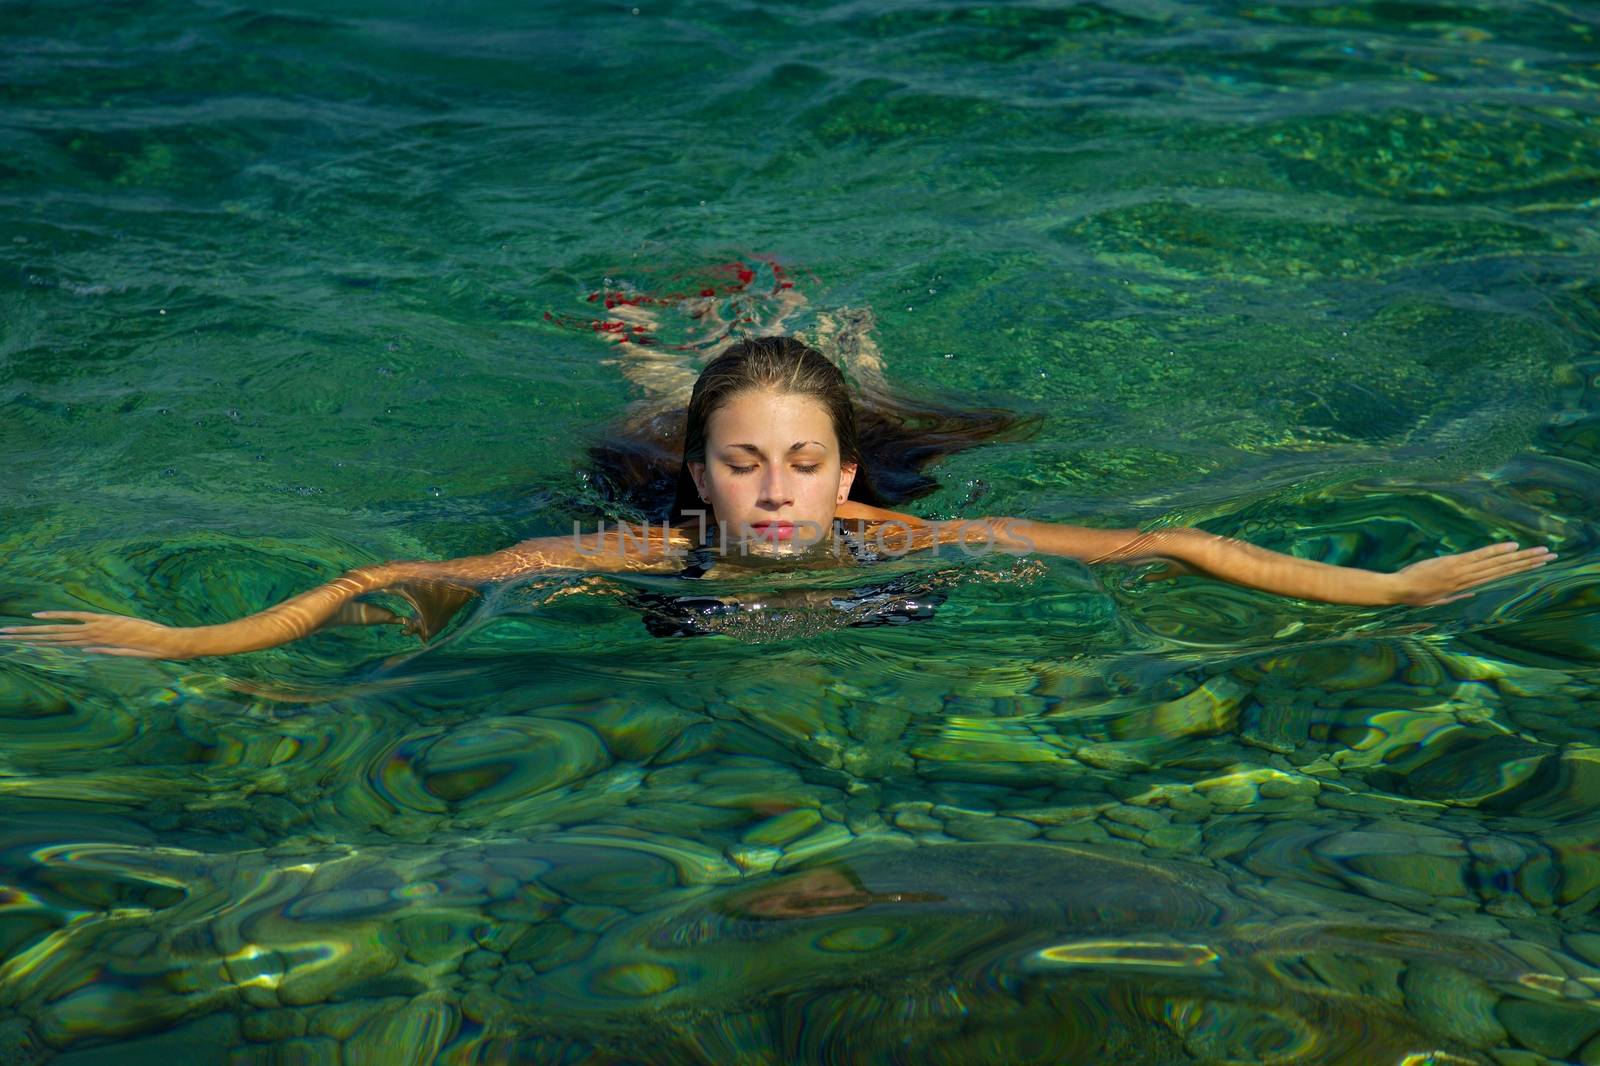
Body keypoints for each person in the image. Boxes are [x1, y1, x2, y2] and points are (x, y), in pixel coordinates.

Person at [0, 282, 1556, 660]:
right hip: (639, 470)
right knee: (651, 416)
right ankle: (669, 362)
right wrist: (182, 640)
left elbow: (1164, 553)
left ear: (834, 476)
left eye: (798, 468)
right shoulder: (652, 545)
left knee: (872, 398)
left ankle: (827, 348)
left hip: (880, 454)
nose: (773, 496)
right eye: (746, 468)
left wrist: (1398, 581)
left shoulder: (875, 526)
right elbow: (388, 580)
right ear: (712, 479)